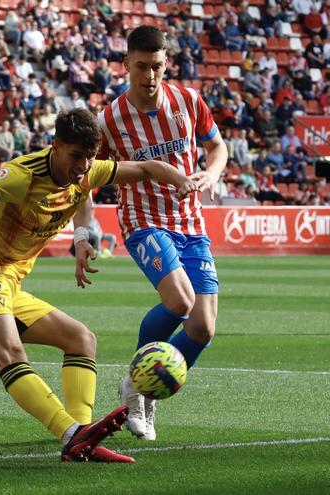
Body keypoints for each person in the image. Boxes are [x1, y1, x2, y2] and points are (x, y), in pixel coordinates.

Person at [0, 108, 199, 463]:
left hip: (10, 286)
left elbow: (146, 169)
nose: (83, 165)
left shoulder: (85, 172)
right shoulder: (22, 175)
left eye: (89, 157)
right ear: (55, 146)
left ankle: (83, 435)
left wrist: (181, 181)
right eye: (76, 156)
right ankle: (70, 434)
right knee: (11, 353)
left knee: (82, 339)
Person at [97, 26, 227, 441]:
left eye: (156, 67)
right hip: (143, 220)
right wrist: (84, 231)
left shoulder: (188, 101)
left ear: (166, 63)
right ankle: (138, 387)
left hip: (191, 222)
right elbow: (87, 175)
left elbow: (217, 146)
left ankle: (141, 387)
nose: (149, 76)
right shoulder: (110, 119)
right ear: (125, 65)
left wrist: (212, 172)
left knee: (203, 328)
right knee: (180, 300)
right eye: (140, 67)